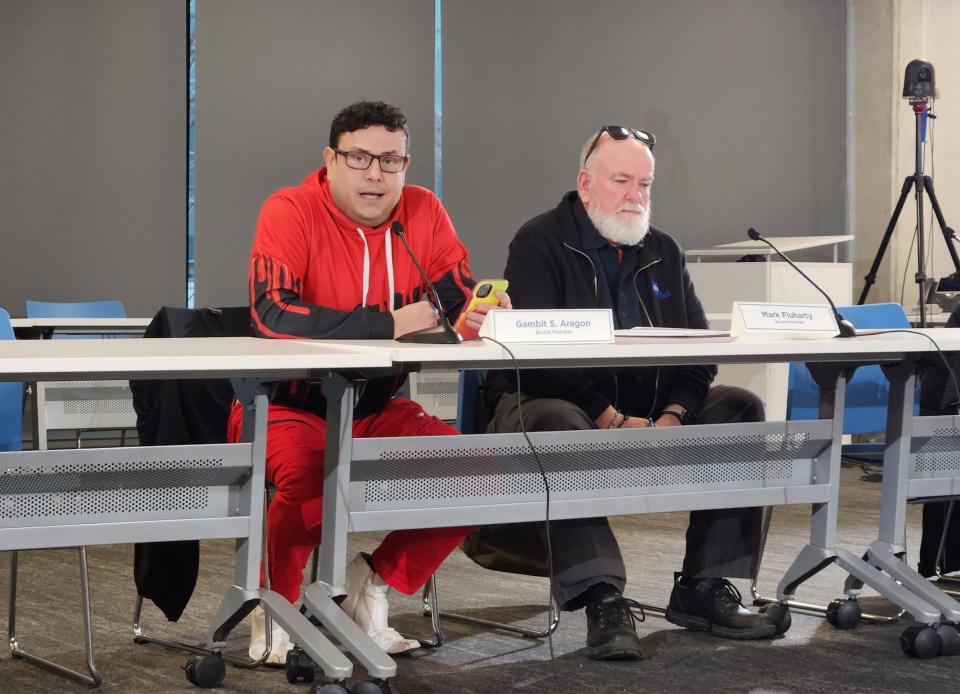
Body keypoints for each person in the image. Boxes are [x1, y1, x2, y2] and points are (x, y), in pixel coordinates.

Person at [484, 125, 785, 661]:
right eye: (622, 181)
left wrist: (673, 415)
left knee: (742, 409)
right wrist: (608, 418)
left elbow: (699, 352)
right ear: (585, 183)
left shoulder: (662, 249)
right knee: (558, 423)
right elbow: (536, 355)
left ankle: (704, 587)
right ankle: (602, 598)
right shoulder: (539, 241)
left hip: (648, 410)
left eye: (644, 184)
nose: (636, 196)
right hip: (551, 404)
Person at [227, 100, 510, 660]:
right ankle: (273, 606)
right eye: (359, 158)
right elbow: (270, 312)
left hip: (374, 404)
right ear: (329, 160)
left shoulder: (423, 212)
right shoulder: (289, 208)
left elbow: (455, 295)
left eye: (391, 161)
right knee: (311, 480)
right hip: (285, 404)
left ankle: (371, 584)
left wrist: (481, 315)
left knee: (486, 477)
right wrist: (389, 324)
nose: (376, 174)